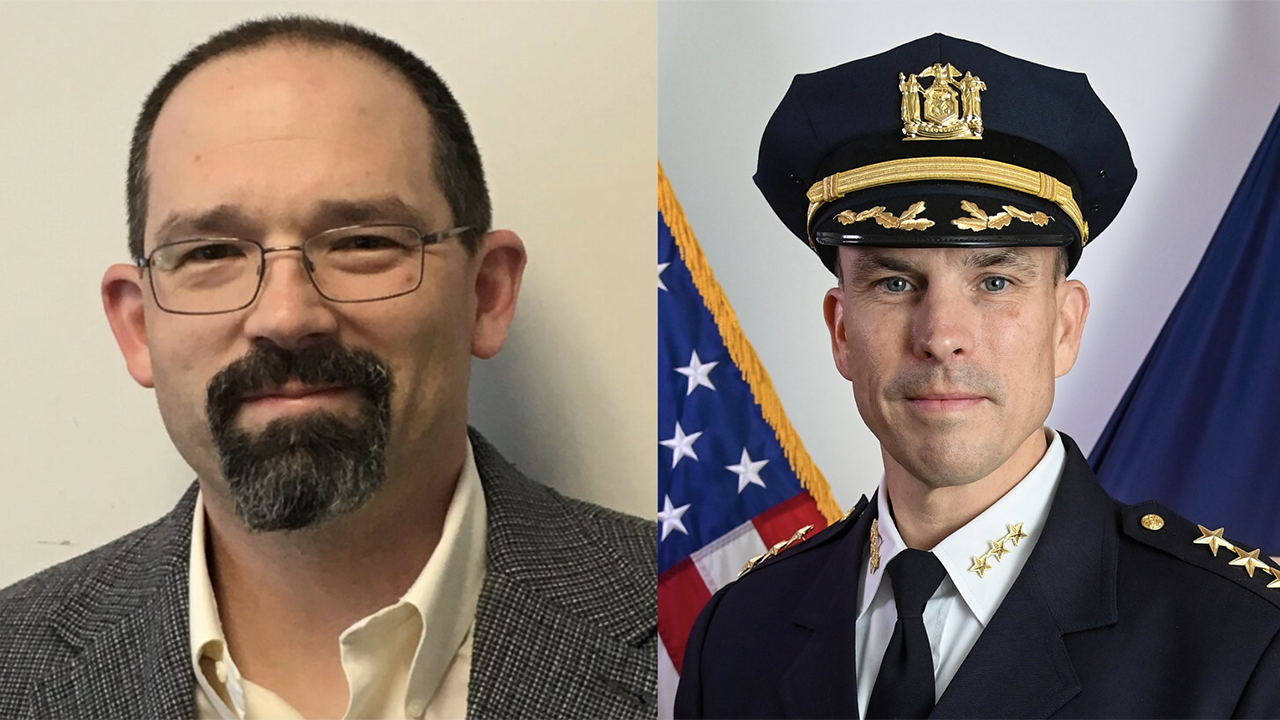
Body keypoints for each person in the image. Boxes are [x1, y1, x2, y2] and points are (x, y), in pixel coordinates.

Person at [0, 16, 656, 719]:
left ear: (486, 293)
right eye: (211, 253)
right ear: (137, 327)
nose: (286, 316)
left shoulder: (705, 624)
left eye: (364, 242)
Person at [675, 33, 1280, 719]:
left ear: (1064, 327)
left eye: (995, 281)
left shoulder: (1244, 644)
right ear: (842, 332)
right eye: (896, 283)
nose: (941, 337)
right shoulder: (739, 631)